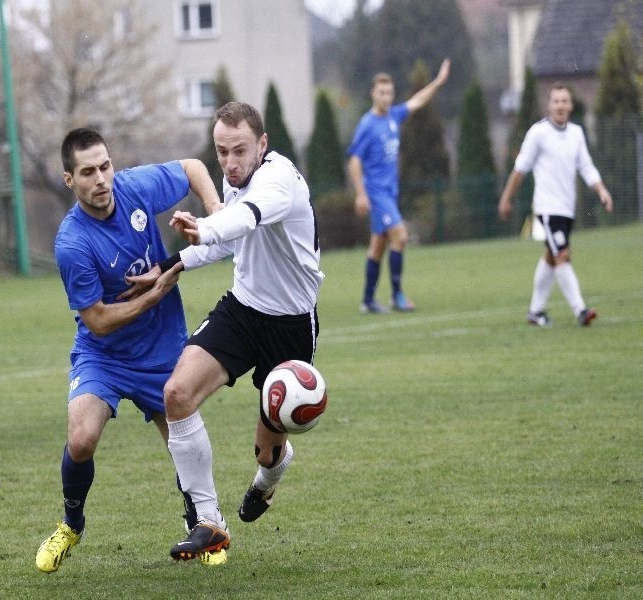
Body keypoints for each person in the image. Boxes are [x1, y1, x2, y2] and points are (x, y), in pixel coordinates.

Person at [130, 102, 323, 565]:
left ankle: (267, 480)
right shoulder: (233, 177)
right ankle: (208, 522)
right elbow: (231, 242)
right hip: (241, 310)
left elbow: (245, 219)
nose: (230, 163)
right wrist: (172, 264)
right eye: (221, 152)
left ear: (262, 144)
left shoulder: (281, 181)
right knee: (176, 393)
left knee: (266, 450)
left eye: (240, 151)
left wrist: (204, 226)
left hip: (291, 326)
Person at [35, 127, 221, 573]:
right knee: (81, 439)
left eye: (104, 166)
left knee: (182, 446)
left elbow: (194, 168)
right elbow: (97, 320)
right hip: (105, 356)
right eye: (87, 172)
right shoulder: (72, 243)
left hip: (162, 351)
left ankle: (205, 526)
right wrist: (152, 296)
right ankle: (71, 525)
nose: (100, 179)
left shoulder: (135, 187)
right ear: (69, 180)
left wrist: (215, 215)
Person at [498, 83, 613, 327]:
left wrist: (602, 190)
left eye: (565, 101)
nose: (560, 105)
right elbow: (520, 170)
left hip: (567, 208)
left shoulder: (576, 134)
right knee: (562, 254)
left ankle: (535, 311)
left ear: (571, 105)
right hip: (547, 208)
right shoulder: (538, 133)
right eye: (556, 101)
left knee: (551, 257)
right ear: (548, 105)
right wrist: (506, 198)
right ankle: (581, 310)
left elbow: (586, 167)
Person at [347, 59, 450, 314]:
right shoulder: (367, 124)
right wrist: (361, 194)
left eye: (390, 93)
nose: (387, 97)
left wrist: (437, 82)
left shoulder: (394, 115)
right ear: (373, 94)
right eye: (382, 93)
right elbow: (354, 161)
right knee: (401, 236)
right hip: (377, 192)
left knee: (379, 245)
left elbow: (418, 101)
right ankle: (397, 296)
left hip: (390, 192)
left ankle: (368, 300)